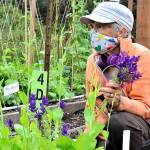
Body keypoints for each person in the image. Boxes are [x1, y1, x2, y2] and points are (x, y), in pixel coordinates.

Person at [80, 2, 150, 150]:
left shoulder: (141, 57)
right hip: (105, 126)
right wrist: (85, 139)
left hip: (138, 127)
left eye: (100, 26)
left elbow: (147, 108)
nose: (94, 32)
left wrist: (120, 103)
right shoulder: (93, 61)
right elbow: (91, 105)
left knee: (119, 123)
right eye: (92, 27)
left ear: (122, 31)